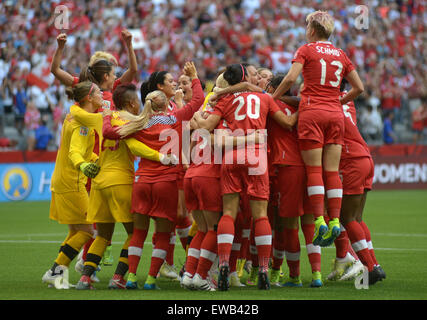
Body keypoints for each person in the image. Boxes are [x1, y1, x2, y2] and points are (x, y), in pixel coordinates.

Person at [193, 63, 297, 291]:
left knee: (228, 213)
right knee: (260, 216)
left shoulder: (225, 100)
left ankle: (222, 265)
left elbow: (207, 126)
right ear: (246, 78)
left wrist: (200, 112)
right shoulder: (264, 98)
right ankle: (262, 269)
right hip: (257, 155)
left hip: (231, 156)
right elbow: (287, 123)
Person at [272, 10, 364, 247]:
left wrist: (273, 97)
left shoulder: (306, 49)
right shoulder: (341, 54)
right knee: (332, 172)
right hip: (334, 115)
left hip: (311, 113)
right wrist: (336, 102)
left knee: (314, 170)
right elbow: (359, 88)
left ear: (312, 30)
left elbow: (291, 79)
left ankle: (320, 220)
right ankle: (335, 221)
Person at [109, 62, 203, 290]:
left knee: (139, 233)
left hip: (142, 182)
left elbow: (111, 131)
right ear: (165, 103)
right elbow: (198, 101)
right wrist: (195, 77)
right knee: (162, 234)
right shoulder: (176, 118)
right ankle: (151, 279)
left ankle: (131, 277)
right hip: (166, 182)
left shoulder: (138, 123)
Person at [69, 83, 174, 289]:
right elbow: (134, 146)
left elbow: (79, 114)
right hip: (120, 182)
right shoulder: (128, 120)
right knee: (135, 233)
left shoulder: (102, 118)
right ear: (132, 103)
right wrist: (161, 156)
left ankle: (85, 278)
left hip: (99, 182)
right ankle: (118, 278)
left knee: (103, 235)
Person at [41, 81, 102, 289]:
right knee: (87, 232)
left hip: (63, 178)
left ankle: (58, 276)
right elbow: (74, 151)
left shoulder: (73, 115)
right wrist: (83, 165)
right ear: (89, 98)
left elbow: (80, 150)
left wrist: (94, 159)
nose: (102, 94)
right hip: (72, 181)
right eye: (99, 92)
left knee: (75, 232)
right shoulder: (82, 123)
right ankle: (55, 271)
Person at [266, 75, 323, 288]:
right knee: (309, 223)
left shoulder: (272, 103)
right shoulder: (305, 105)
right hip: (309, 165)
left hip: (287, 166)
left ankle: (295, 276)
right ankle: (317, 274)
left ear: (275, 88)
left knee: (289, 225)